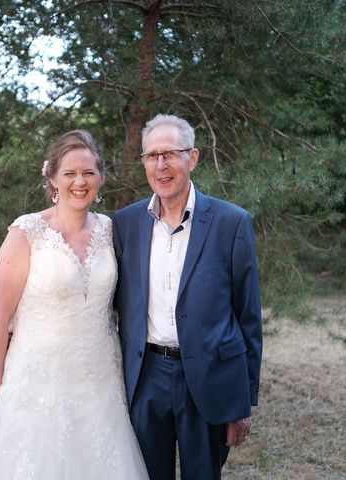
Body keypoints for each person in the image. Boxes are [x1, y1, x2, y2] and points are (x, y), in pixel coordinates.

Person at [0, 130, 149, 479]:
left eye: (88, 173)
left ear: (101, 178)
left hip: (101, 380)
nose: (80, 182)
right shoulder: (26, 232)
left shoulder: (112, 231)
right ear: (51, 176)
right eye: (70, 173)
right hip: (38, 380)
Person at [112, 114, 263, 480]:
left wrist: (242, 402)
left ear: (192, 158)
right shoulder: (125, 224)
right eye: (151, 156)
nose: (160, 165)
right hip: (146, 376)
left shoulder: (231, 222)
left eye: (170, 154)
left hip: (209, 379)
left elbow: (248, 316)